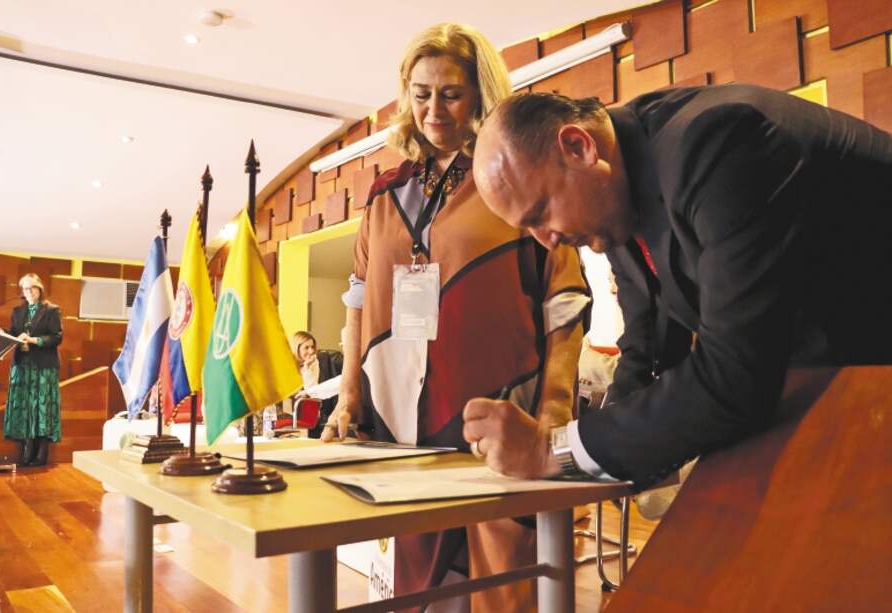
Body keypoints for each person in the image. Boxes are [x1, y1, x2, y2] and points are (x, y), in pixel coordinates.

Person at [465, 84, 892, 490]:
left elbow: (736, 374)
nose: (548, 241)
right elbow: (647, 350)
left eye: (540, 213)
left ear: (578, 147)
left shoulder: (719, 142)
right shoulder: (617, 202)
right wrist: (585, 455)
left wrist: (553, 450)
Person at [322, 23, 589, 611]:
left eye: (451, 94)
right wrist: (348, 398)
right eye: (421, 94)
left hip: (497, 422)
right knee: (415, 592)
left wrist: (554, 410)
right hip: (398, 431)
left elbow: (565, 301)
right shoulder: (384, 193)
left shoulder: (516, 175)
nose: (433, 110)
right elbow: (358, 299)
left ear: (481, 94)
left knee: (501, 590)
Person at [0, 273, 63, 466]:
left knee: (43, 409)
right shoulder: (18, 311)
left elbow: (56, 337)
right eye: (25, 288)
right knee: (25, 408)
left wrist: (33, 340)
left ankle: (41, 452)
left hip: (43, 367)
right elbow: (13, 334)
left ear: (40, 289)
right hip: (22, 366)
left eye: (32, 288)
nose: (28, 292)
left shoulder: (52, 310)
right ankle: (27, 450)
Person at [289, 330, 343, 438]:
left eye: (312, 347)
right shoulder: (290, 368)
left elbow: (312, 394)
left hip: (319, 414)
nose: (311, 351)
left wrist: (308, 370)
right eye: (306, 347)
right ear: (296, 348)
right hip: (296, 416)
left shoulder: (320, 362)